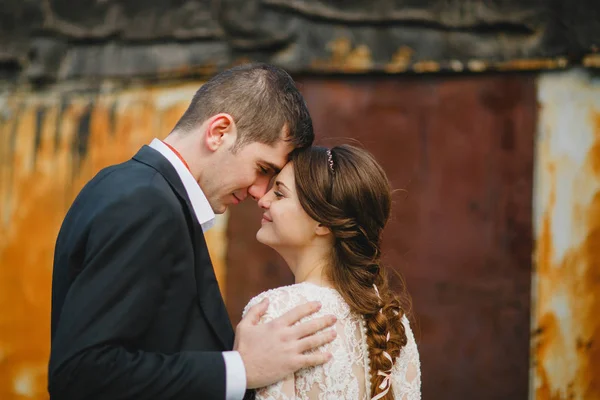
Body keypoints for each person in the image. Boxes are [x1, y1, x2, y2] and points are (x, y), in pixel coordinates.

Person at [48, 63, 338, 400]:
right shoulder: (146, 205)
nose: (260, 192)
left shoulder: (133, 188)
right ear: (218, 132)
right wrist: (240, 369)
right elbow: (81, 372)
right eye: (263, 169)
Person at [243, 145, 421, 400]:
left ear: (322, 222)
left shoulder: (276, 312)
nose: (263, 199)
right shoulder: (393, 321)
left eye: (280, 194)